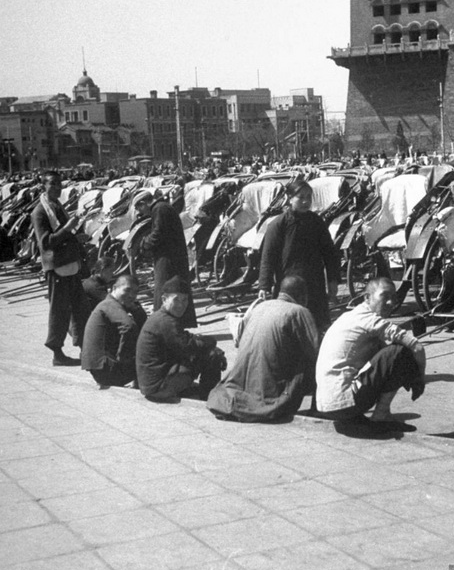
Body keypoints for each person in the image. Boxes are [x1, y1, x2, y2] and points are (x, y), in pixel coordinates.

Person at [315, 277, 426, 429]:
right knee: (399, 351)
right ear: (367, 297)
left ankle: (370, 415)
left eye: (394, 298)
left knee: (389, 353)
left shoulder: (349, 316)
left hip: (327, 404)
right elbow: (416, 346)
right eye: (385, 296)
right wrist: (420, 378)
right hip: (343, 402)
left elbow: (385, 361)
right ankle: (381, 416)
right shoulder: (367, 319)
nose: (391, 303)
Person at [206, 275, 319, 423]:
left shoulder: (260, 306)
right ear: (303, 296)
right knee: (319, 359)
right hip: (272, 392)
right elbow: (316, 352)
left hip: (240, 384)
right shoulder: (299, 311)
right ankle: (318, 409)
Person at [258, 178, 340, 333]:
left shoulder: (316, 222)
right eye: (300, 197)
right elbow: (268, 257)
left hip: (314, 285)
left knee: (317, 328)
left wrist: (333, 280)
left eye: (309, 197)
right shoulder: (278, 224)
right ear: (289, 198)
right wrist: (264, 285)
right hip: (288, 286)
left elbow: (329, 253)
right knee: (289, 329)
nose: (306, 201)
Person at [136, 276, 225, 403]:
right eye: (176, 300)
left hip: (150, 384)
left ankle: (193, 389)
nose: (181, 305)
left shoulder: (161, 317)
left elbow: (184, 339)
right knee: (213, 355)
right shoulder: (165, 321)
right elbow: (189, 346)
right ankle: (209, 397)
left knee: (203, 350)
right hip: (157, 388)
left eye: (185, 300)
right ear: (164, 299)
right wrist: (211, 342)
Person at [32, 171, 89, 366]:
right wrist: (67, 229)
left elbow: (64, 236)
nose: (57, 188)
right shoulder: (40, 212)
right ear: (44, 187)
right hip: (57, 267)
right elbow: (46, 242)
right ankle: (57, 353)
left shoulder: (57, 207)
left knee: (80, 308)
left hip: (70, 265)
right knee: (59, 311)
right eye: (52, 184)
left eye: (59, 184)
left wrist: (76, 238)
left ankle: (84, 347)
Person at [134, 191, 196, 327]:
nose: (139, 212)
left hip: (169, 258)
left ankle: (164, 325)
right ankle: (172, 324)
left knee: (165, 289)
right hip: (171, 256)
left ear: (144, 203)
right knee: (173, 290)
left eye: (138, 207)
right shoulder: (162, 207)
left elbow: (157, 234)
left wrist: (144, 243)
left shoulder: (159, 209)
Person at [81, 275, 147, 389]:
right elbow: (128, 327)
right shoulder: (109, 304)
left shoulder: (113, 304)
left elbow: (143, 325)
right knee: (155, 358)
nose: (132, 295)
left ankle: (138, 382)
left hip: (101, 368)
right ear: (114, 288)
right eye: (127, 290)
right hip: (106, 372)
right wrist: (124, 360)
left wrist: (136, 309)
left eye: (135, 292)